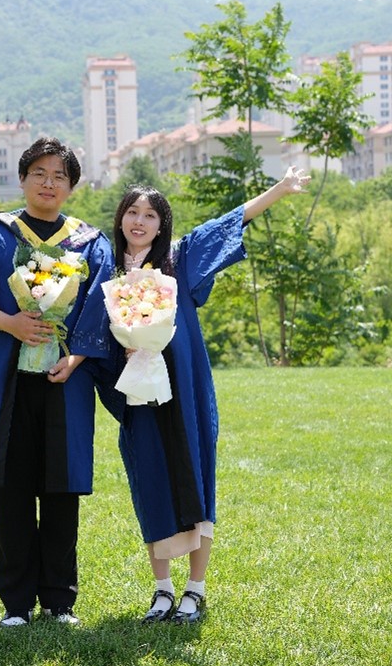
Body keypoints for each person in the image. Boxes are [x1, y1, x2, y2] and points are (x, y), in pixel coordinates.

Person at [106, 166, 310, 624]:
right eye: (133, 212)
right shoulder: (107, 268)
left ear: (162, 224)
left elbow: (230, 222)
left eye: (151, 215)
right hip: (138, 391)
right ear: (120, 218)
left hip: (186, 387)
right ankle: (162, 590)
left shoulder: (179, 258)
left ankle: (195, 591)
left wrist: (279, 189)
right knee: (150, 478)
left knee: (197, 475)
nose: (140, 221)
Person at [0, 137, 114, 627]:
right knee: (12, 490)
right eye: (39, 173)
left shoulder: (89, 243)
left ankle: (59, 601)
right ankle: (16, 605)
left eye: (60, 176)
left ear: (71, 186)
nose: (48, 183)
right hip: (9, 381)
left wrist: (76, 358)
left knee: (62, 489)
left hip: (65, 382)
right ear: (22, 179)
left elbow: (100, 313)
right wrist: (11, 323)